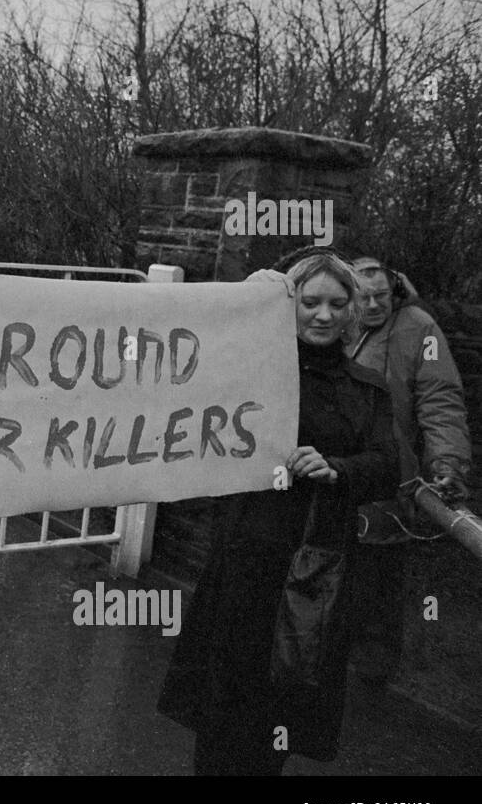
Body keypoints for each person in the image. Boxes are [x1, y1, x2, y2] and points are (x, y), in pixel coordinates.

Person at [158, 247, 399, 775]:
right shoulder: (252, 372)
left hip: (316, 569)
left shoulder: (366, 390)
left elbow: (388, 465)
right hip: (246, 559)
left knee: (280, 709)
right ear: (288, 305)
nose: (324, 315)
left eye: (338, 304)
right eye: (310, 302)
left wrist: (337, 467)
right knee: (223, 708)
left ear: (353, 310)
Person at [344, 254, 472, 684]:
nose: (374, 306)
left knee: (379, 580)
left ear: (394, 291)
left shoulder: (419, 329)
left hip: (391, 482)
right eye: (364, 298)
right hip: (335, 473)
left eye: (381, 296)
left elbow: (440, 402)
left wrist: (447, 462)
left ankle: (371, 677)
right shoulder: (333, 321)